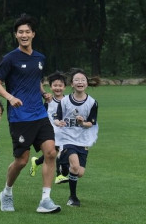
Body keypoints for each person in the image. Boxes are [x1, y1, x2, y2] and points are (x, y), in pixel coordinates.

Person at [0, 13, 61, 213]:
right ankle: (6, 192)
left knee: (50, 152)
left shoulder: (40, 58)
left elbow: (35, 79)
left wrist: (43, 93)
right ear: (16, 35)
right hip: (20, 117)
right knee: (22, 160)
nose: (24, 35)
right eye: (20, 32)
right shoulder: (9, 59)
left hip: (39, 114)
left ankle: (45, 200)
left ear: (33, 34)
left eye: (27, 31)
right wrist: (10, 98)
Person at [53, 68, 100, 207]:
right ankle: (73, 198)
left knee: (79, 172)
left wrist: (82, 123)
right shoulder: (65, 101)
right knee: (75, 165)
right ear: (72, 84)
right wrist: (58, 122)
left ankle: (63, 164)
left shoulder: (92, 102)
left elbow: (91, 122)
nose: (80, 82)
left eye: (83, 80)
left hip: (83, 139)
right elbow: (56, 117)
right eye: (77, 80)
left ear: (87, 83)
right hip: (66, 138)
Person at [30, 72, 69, 184]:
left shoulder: (68, 100)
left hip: (64, 131)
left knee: (54, 152)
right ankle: (60, 175)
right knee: (60, 151)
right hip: (51, 131)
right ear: (51, 87)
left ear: (65, 87)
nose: (58, 88)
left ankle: (37, 162)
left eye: (60, 85)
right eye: (55, 85)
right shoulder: (49, 100)